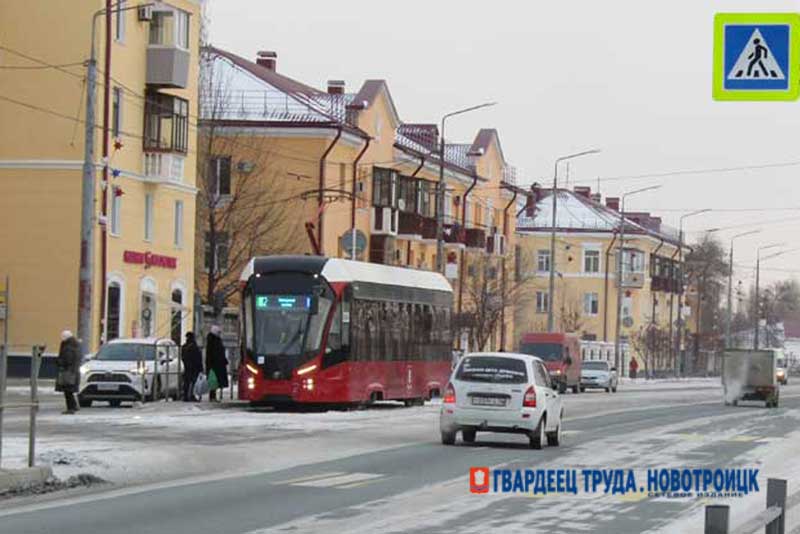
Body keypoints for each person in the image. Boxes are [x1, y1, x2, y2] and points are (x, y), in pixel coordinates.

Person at [55, 330, 81, 414]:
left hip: (68, 372)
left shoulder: (68, 347)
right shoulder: (75, 345)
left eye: (62, 337)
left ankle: (71, 408)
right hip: (73, 371)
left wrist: (59, 362)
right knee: (70, 390)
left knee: (67, 391)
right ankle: (74, 406)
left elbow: (67, 360)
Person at [205, 325, 228, 402]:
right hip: (214, 364)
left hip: (216, 364)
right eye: (218, 332)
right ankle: (212, 397)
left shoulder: (214, 340)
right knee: (214, 381)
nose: (219, 333)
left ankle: (213, 396)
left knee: (215, 381)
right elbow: (214, 353)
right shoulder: (213, 341)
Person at [181, 332, 203, 401]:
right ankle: (191, 395)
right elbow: (198, 358)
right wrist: (200, 368)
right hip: (194, 367)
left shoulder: (184, 347)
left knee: (187, 382)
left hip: (187, 367)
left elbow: (183, 357)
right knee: (193, 382)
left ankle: (185, 396)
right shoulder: (194, 347)